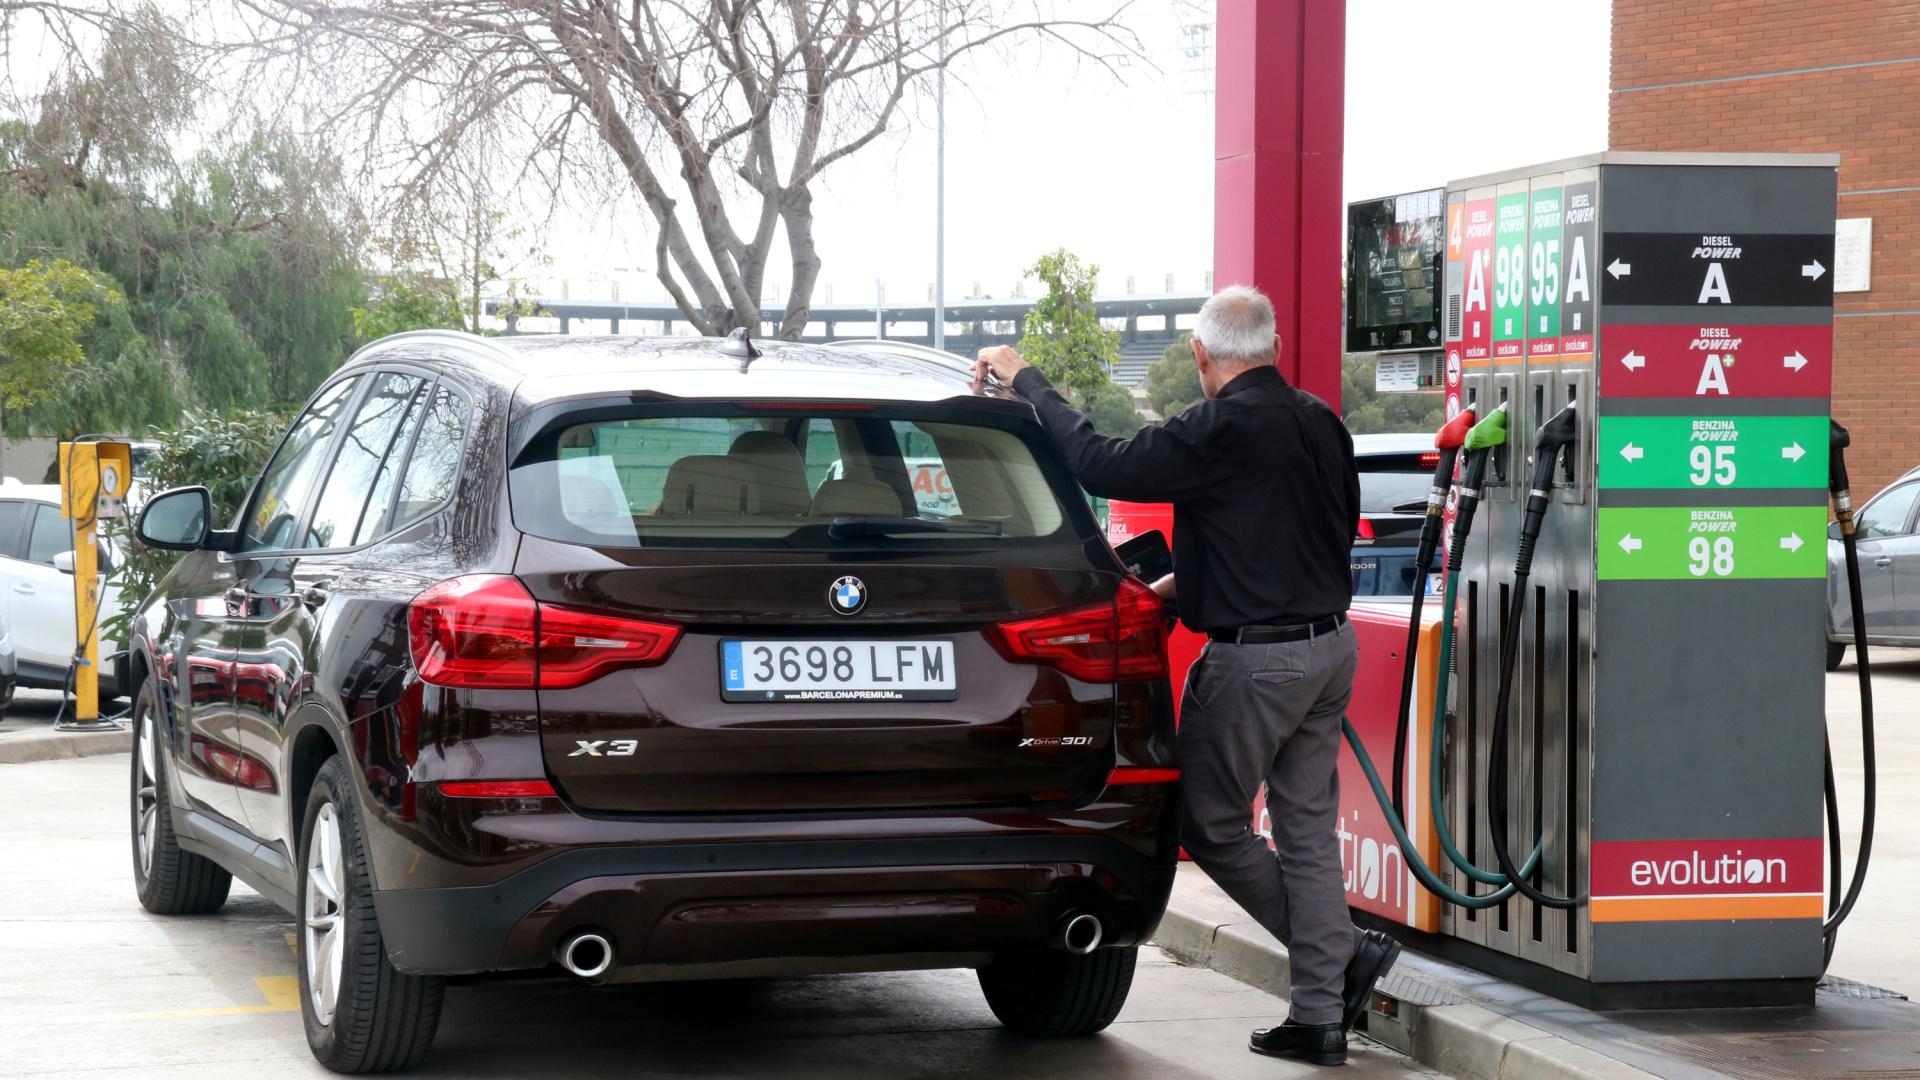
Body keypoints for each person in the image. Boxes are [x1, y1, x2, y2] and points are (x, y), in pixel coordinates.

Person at [974, 285, 1399, 1067]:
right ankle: (1319, 1014)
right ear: (1271, 347)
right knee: (1305, 831)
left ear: (1202, 357)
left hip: (1255, 665)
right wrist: (1180, 590)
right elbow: (1296, 538)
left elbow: (1101, 461)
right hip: (1330, 648)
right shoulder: (1321, 423)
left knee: (1210, 823)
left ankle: (1338, 958)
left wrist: (1026, 378)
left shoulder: (1217, 427)